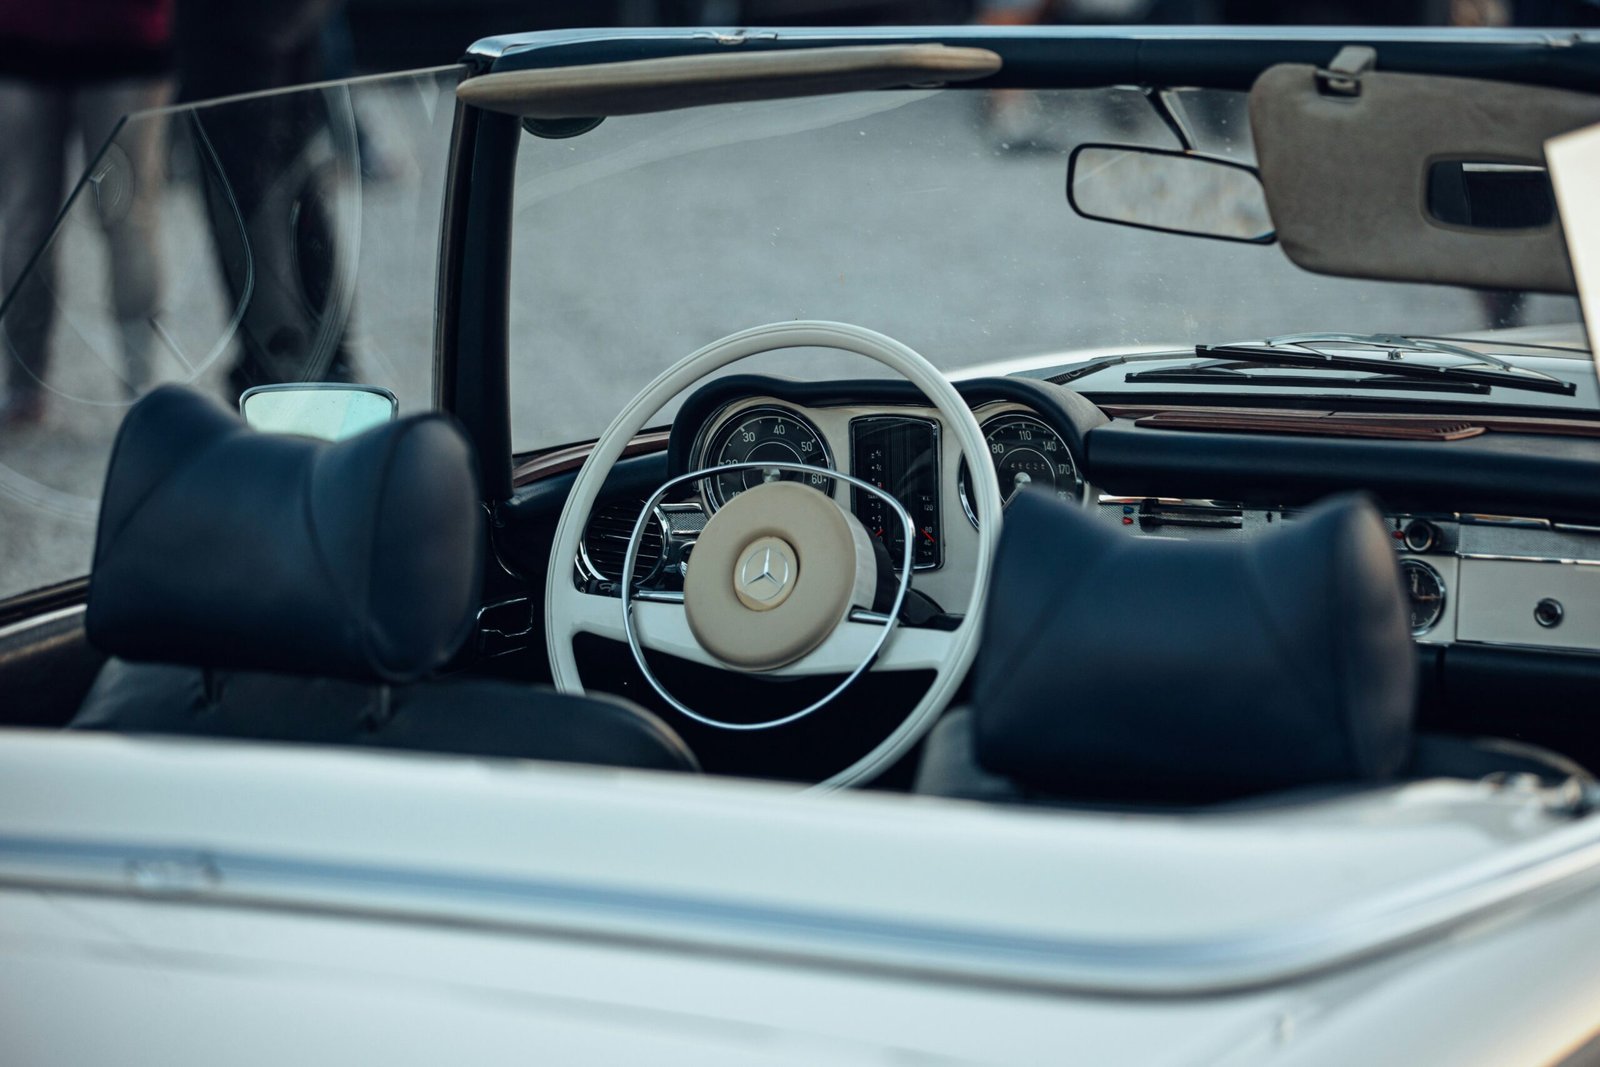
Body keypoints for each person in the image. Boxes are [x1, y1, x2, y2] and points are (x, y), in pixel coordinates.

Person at [0, 0, 176, 427]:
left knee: (32, 219)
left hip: (111, 40)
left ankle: (28, 390)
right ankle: (139, 390)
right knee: (121, 220)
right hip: (106, 36)